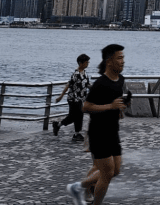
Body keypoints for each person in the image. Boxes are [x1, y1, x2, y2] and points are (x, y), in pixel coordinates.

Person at [66, 44, 126, 205]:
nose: (123, 61)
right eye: (119, 58)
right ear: (109, 61)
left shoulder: (121, 80)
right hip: (98, 133)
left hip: (113, 132)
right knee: (107, 173)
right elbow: (86, 107)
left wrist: (120, 109)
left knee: (115, 170)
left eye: (123, 58)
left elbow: (115, 102)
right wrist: (110, 107)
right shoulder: (101, 83)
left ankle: (78, 187)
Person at [53, 53, 91, 142]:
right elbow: (68, 85)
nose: (88, 63)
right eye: (86, 62)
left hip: (81, 99)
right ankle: (58, 124)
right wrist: (60, 96)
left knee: (79, 116)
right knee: (73, 117)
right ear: (81, 63)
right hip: (73, 99)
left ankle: (76, 134)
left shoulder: (85, 73)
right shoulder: (76, 74)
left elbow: (87, 85)